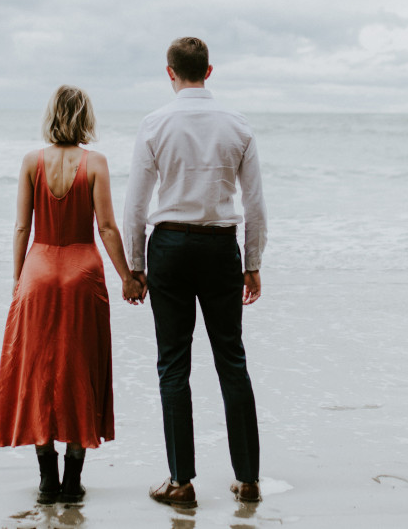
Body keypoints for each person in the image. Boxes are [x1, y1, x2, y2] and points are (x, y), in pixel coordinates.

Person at [123, 37, 267, 508]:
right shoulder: (238, 125)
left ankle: (181, 481)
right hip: (220, 245)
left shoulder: (154, 124)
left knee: (173, 363)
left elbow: (137, 204)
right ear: (209, 71)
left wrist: (135, 266)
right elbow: (255, 204)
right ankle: (247, 479)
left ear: (171, 72)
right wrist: (253, 262)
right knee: (232, 360)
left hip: (169, 248)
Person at [0, 85, 145, 506]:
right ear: (85, 118)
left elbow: (22, 227)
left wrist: (17, 277)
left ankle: (46, 479)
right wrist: (129, 276)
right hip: (83, 273)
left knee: (38, 371)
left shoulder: (31, 162)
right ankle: (73, 479)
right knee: (82, 369)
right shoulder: (95, 162)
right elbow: (108, 228)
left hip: (38, 271)